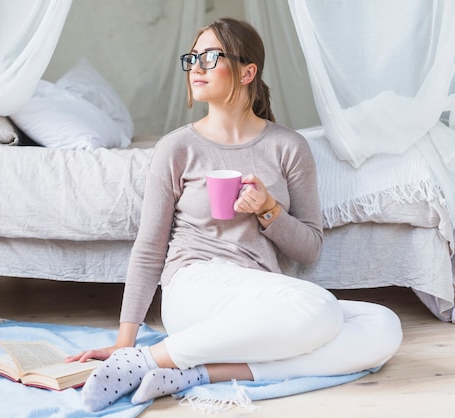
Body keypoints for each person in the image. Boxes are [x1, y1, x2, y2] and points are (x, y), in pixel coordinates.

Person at [67, 17, 403, 412]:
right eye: (192, 58)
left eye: (210, 56)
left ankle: (197, 372)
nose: (196, 67)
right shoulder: (176, 148)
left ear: (248, 71)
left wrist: (269, 210)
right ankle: (140, 361)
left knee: (383, 325)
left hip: (261, 297)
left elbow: (310, 249)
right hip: (195, 285)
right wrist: (125, 341)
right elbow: (149, 248)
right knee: (320, 310)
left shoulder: (289, 147)